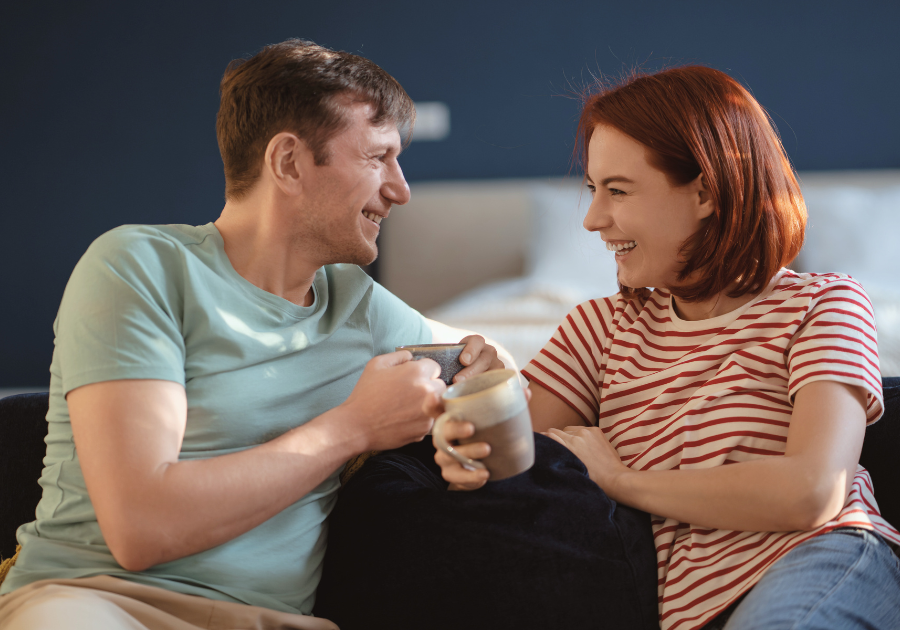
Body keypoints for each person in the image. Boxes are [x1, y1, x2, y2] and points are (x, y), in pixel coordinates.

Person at [0, 39, 506, 629]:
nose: (401, 190)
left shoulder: (361, 306)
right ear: (289, 162)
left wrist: (485, 370)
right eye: (378, 157)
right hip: (98, 600)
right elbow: (142, 527)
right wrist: (353, 428)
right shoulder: (139, 266)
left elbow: (493, 363)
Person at [437, 66, 900, 630]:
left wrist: (621, 480)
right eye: (592, 190)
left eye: (618, 190)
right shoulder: (599, 329)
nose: (593, 220)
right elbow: (506, 461)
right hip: (677, 608)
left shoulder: (825, 304)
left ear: (705, 191)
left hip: (818, 557)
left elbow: (812, 492)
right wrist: (478, 403)